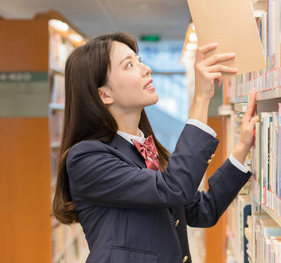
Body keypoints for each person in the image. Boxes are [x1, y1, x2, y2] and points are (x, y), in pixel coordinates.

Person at [52, 32, 259, 263]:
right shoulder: (87, 158)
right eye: (129, 65)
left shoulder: (145, 149)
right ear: (104, 94)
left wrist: (242, 148)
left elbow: (202, 211)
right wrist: (201, 97)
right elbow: (174, 187)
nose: (145, 68)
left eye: (139, 60)